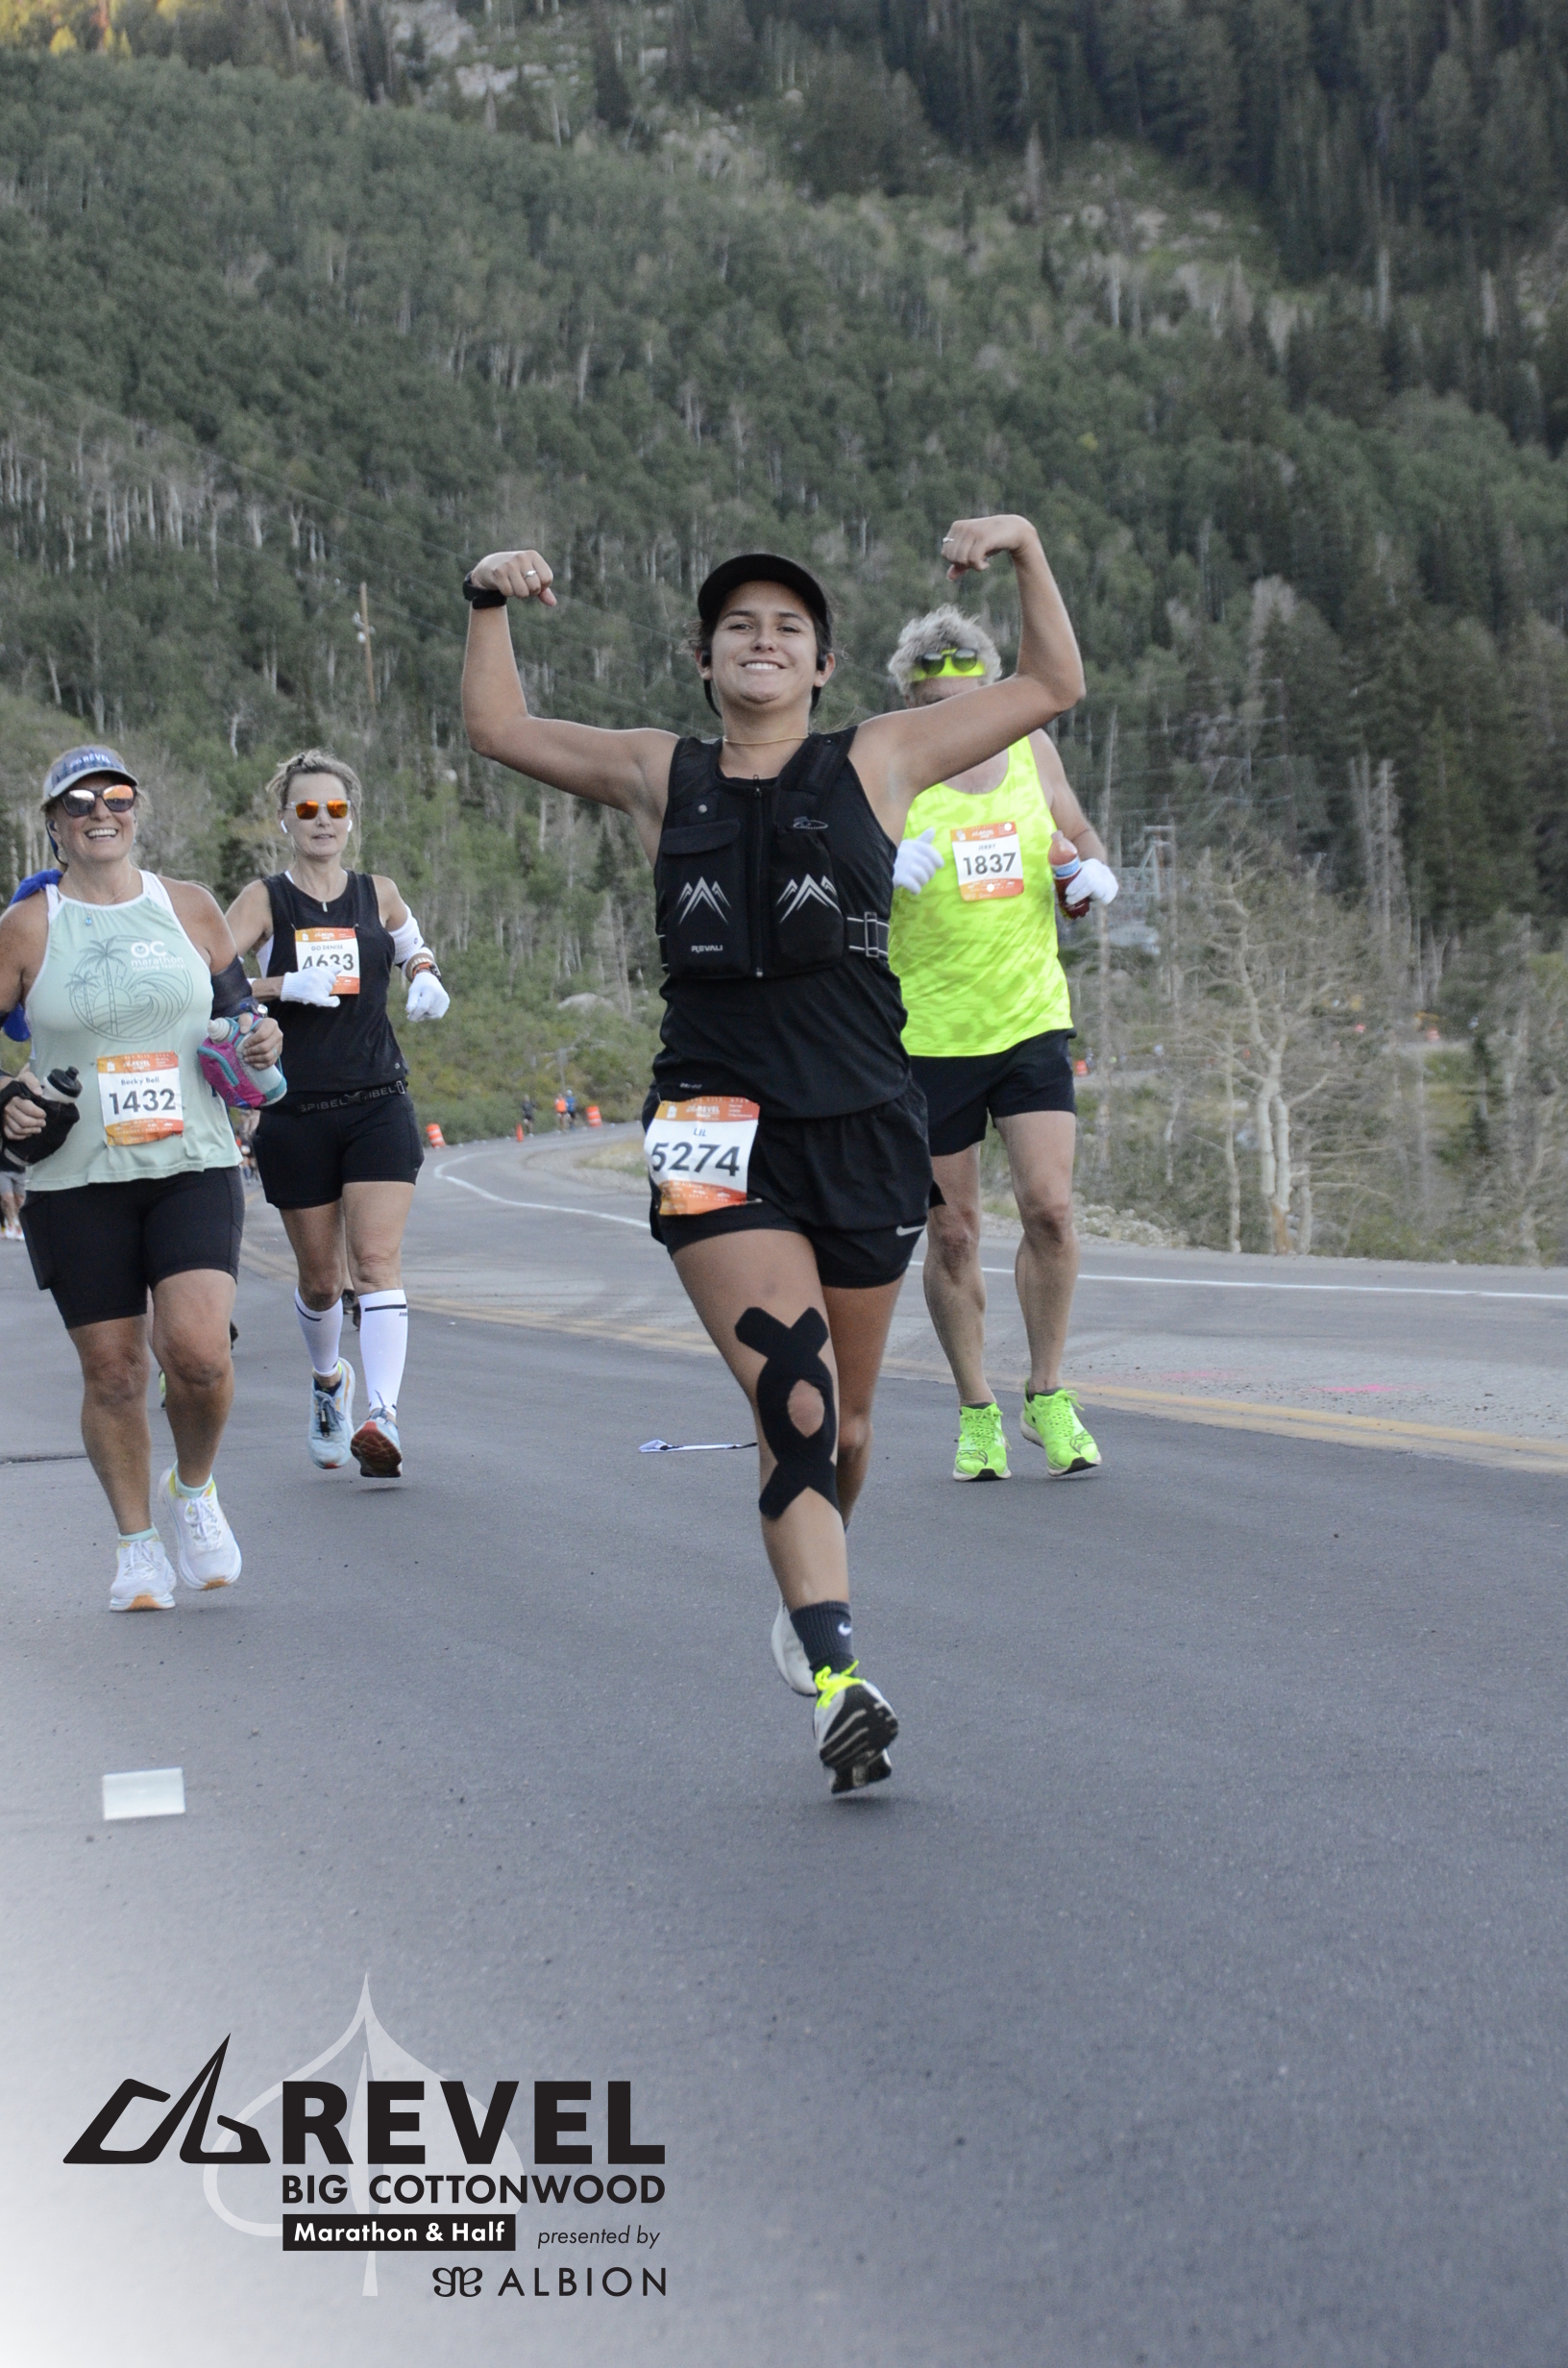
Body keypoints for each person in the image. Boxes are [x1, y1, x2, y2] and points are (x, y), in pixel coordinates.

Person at [462, 516, 1084, 1792]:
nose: (762, 641)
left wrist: (1025, 552)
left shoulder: (883, 755)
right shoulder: (658, 771)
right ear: (704, 660)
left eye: (788, 628)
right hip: (712, 1124)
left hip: (862, 1123)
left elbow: (1050, 685)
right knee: (791, 1398)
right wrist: (487, 602)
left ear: (822, 664)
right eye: (738, 626)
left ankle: (808, 1596)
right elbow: (501, 728)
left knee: (844, 1428)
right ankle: (840, 1680)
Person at [0, 744, 283, 1611]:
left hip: (192, 1163)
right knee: (115, 1374)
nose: (101, 812)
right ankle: (134, 1546)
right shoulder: (29, 926)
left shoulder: (189, 907)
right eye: (79, 801)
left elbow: (240, 1015)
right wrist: (6, 1097)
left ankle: (191, 1490)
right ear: (53, 823)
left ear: (136, 810)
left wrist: (262, 1039)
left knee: (198, 1355)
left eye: (116, 797)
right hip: (74, 1179)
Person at [886, 608, 1119, 1482]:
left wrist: (1089, 872)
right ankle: (976, 1410)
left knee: (1050, 1210)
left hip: (1029, 1019)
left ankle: (1047, 1394)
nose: (957, 716)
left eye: (971, 697)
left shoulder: (1032, 751)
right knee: (952, 1235)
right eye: (935, 703)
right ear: (911, 702)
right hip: (928, 1037)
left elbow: (1076, 835)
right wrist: (877, 866)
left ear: (992, 692)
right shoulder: (893, 768)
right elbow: (825, 877)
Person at [225, 751, 450, 1482]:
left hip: (377, 1099)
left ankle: (382, 1414)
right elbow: (203, 976)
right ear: (284, 819)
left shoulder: (376, 892)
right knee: (322, 1282)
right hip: (295, 1108)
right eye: (307, 809)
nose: (322, 821)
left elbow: (412, 945)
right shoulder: (265, 900)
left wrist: (424, 977)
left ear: (352, 818)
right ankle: (329, 1384)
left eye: (336, 809)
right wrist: (280, 984)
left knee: (376, 1262)